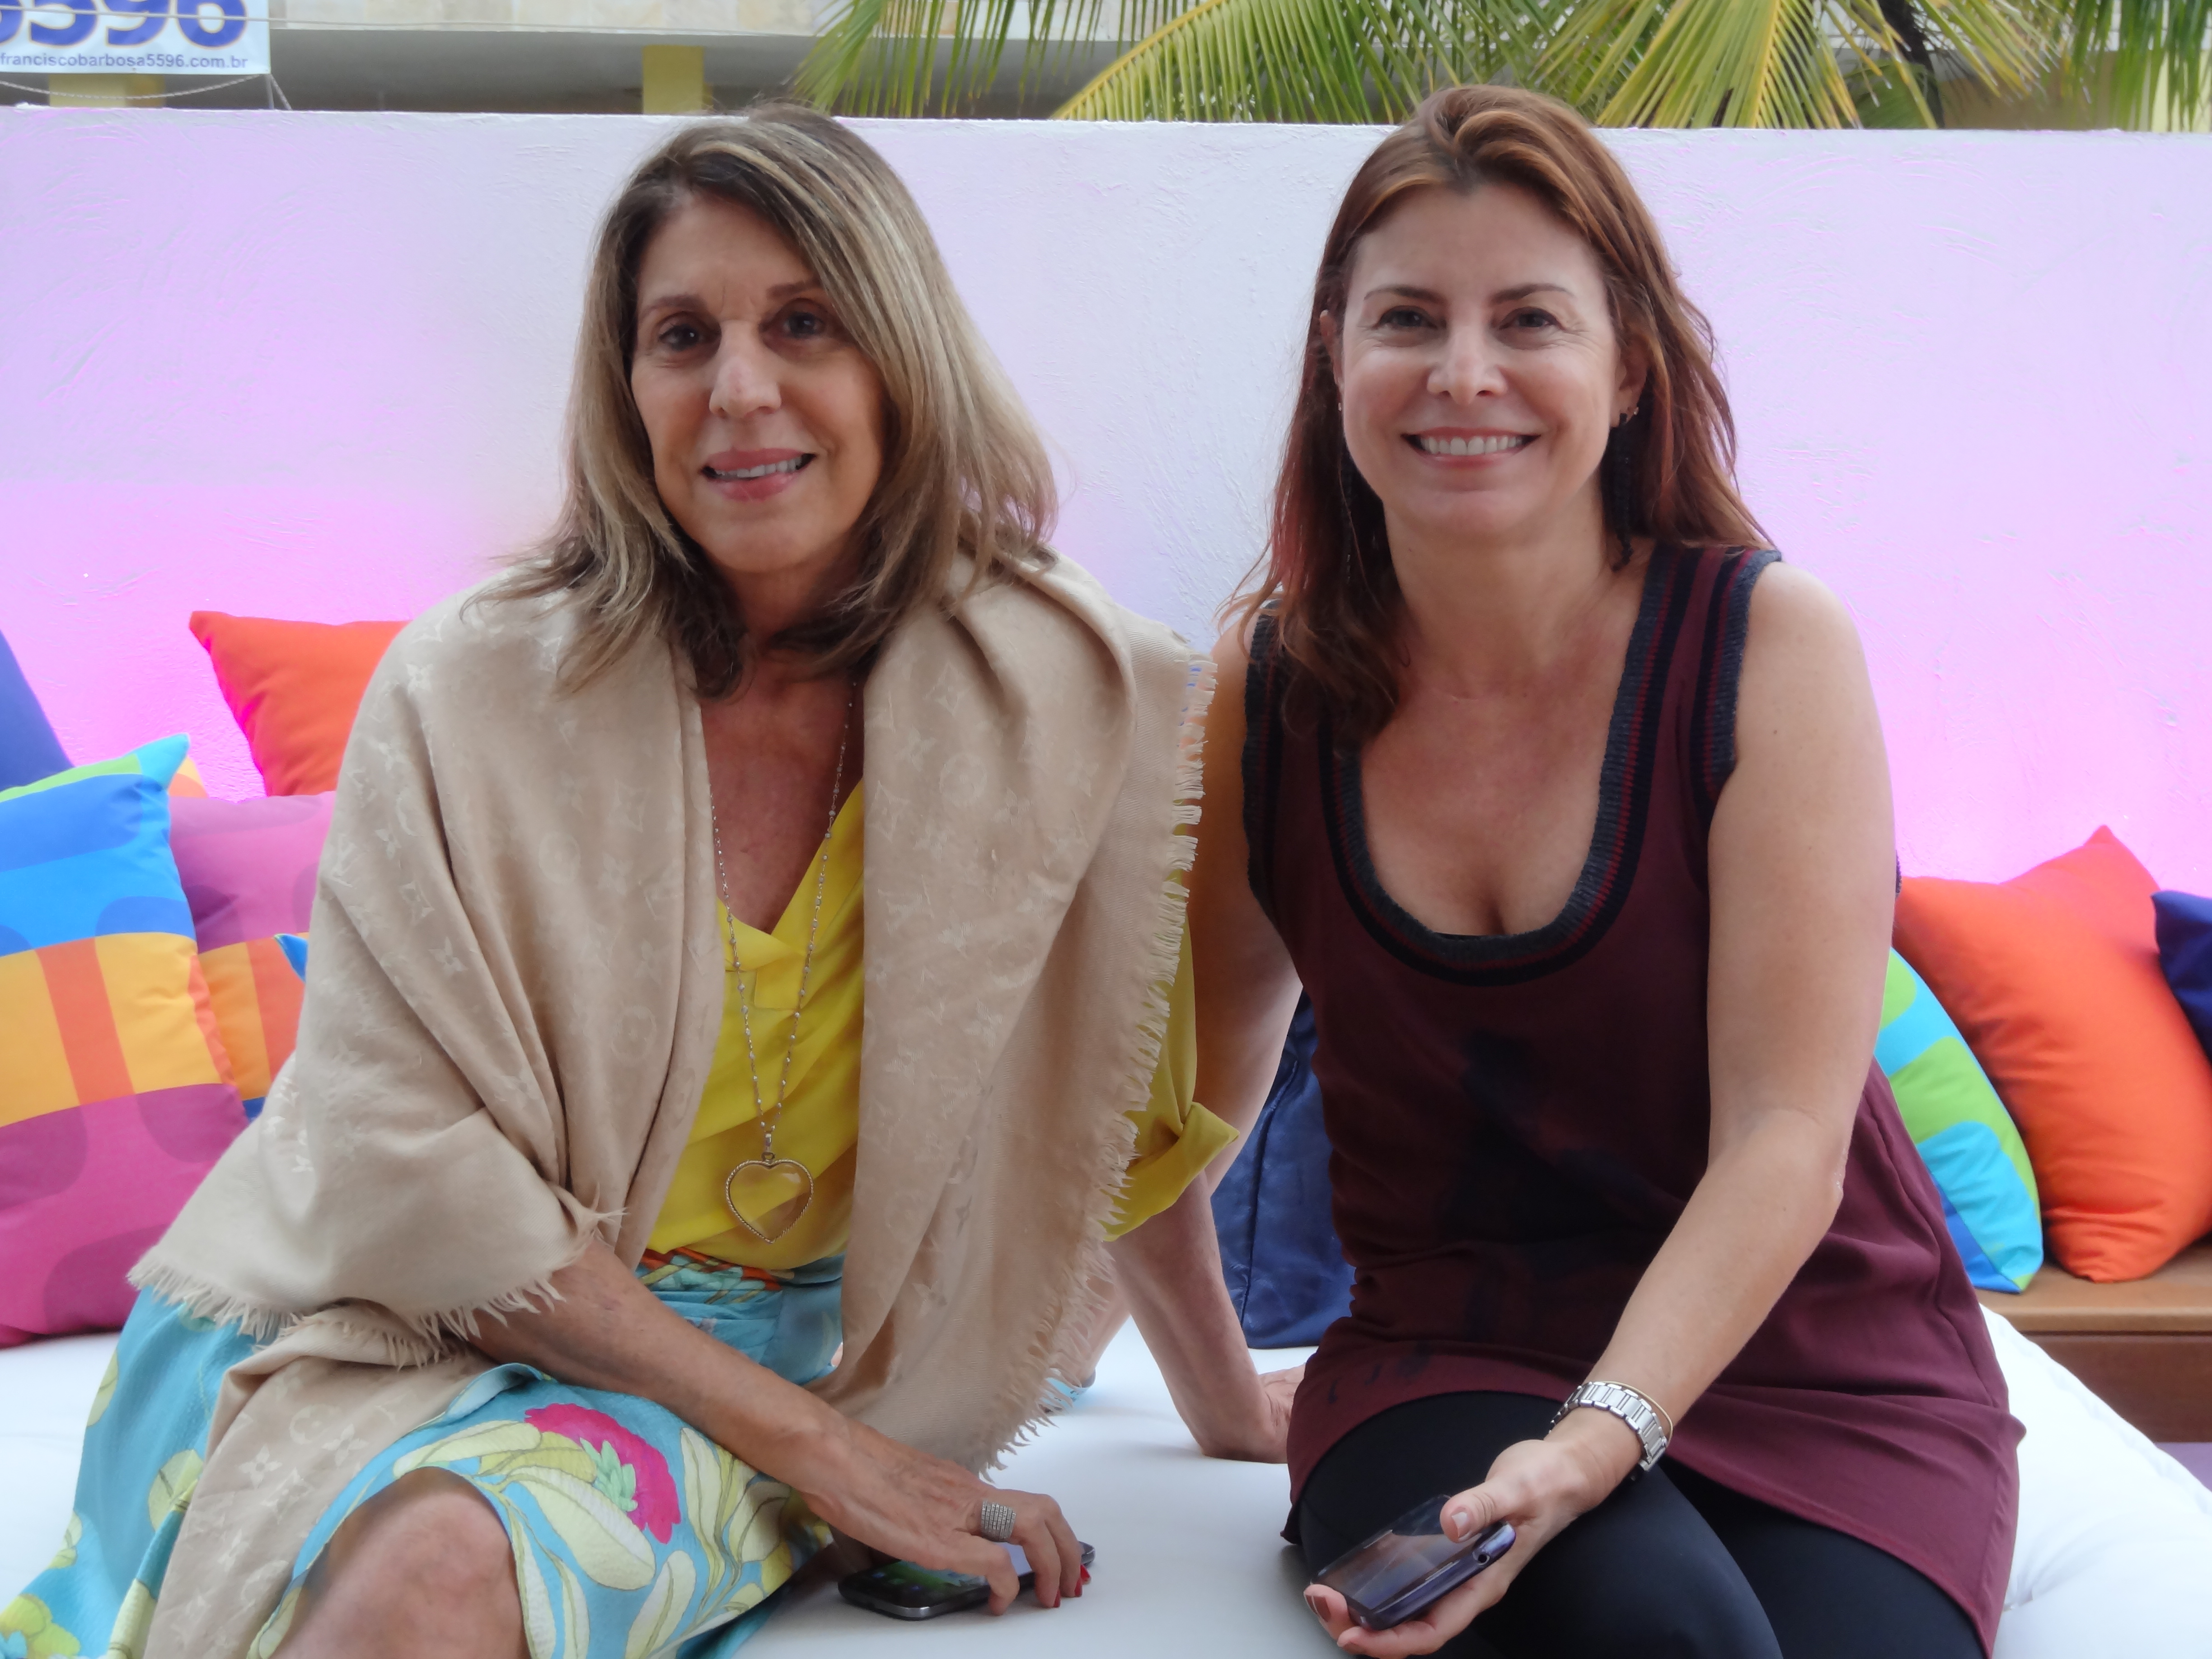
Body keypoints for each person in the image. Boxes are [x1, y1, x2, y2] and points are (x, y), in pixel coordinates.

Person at [9, 107, 1285, 1659]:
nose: (739, 388)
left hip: (722, 1360)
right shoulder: (468, 690)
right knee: (394, 1578)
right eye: (684, 336)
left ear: (903, 361)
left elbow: (1096, 1106)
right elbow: (392, 1153)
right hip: (349, 1308)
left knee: (433, 1570)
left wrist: (1225, 1406)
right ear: (628, 391)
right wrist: (830, 1455)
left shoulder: (1057, 691)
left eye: (803, 323)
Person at [1187, 87, 2020, 1659]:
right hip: (1452, 1357)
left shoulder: (1768, 647)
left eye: (1528, 320)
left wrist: (1592, 1443)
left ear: (1628, 366)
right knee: (1663, 1637)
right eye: (1409, 320)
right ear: (1334, 356)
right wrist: (1212, 1387)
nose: (1465, 373)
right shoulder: (1271, 691)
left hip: (1817, 1361)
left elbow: (1785, 1137)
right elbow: (1181, 1107)